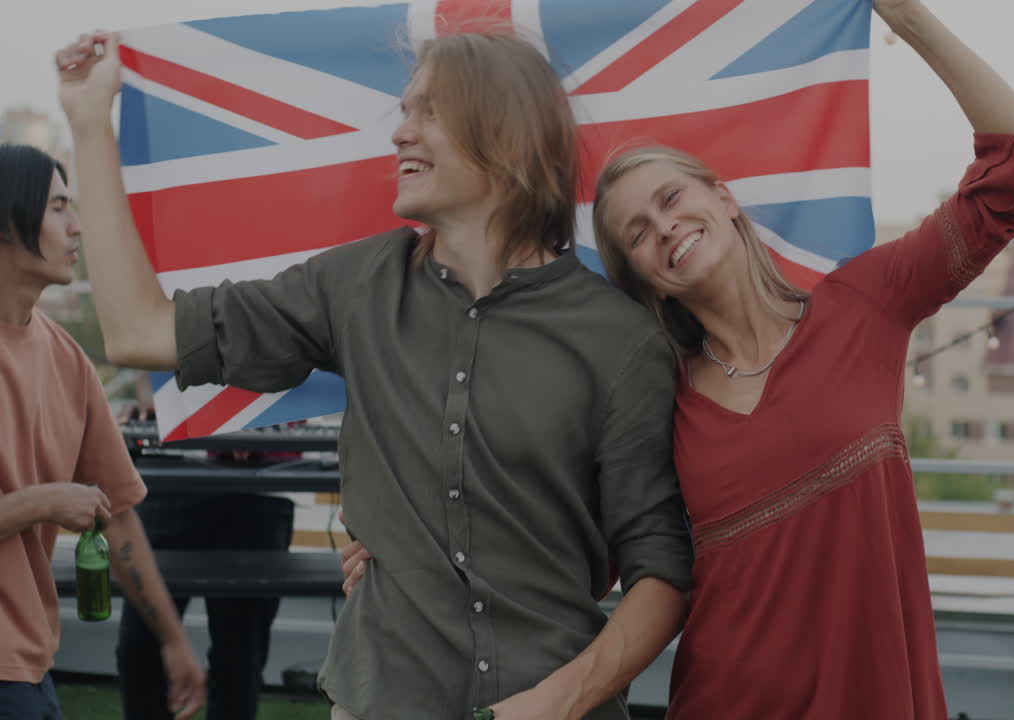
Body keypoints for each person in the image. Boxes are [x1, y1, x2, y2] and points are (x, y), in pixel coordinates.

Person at [57, 24, 693, 720]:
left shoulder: (621, 340)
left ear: (507, 136)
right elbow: (137, 330)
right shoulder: (357, 285)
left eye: (428, 112)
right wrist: (90, 124)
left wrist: (561, 699)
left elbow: (659, 566)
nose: (400, 134)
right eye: (404, 112)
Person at [587, 0, 1014, 717]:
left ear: (725, 198)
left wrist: (907, 18)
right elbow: (583, 547)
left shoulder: (864, 304)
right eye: (639, 234)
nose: (666, 228)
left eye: (671, 198)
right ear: (645, 278)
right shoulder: (660, 401)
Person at [0, 143, 206, 720]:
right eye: (59, 207)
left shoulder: (67, 359)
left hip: (29, 671)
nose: (77, 226)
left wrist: (173, 640)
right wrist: (42, 502)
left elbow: (116, 514)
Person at [114, 387, 296, 720]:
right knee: (140, 648)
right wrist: (149, 399)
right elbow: (143, 350)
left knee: (239, 654)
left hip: (264, 477)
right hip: (174, 467)